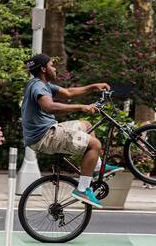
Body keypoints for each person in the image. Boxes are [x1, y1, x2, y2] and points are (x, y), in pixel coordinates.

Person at [21, 53, 120, 209]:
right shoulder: (38, 85)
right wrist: (81, 107)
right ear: (43, 69)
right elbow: (49, 107)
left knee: (87, 125)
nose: (55, 69)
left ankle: (96, 168)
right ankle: (82, 189)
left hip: (48, 131)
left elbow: (68, 93)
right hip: (45, 136)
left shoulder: (43, 84)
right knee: (95, 145)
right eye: (52, 65)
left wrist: (93, 87)